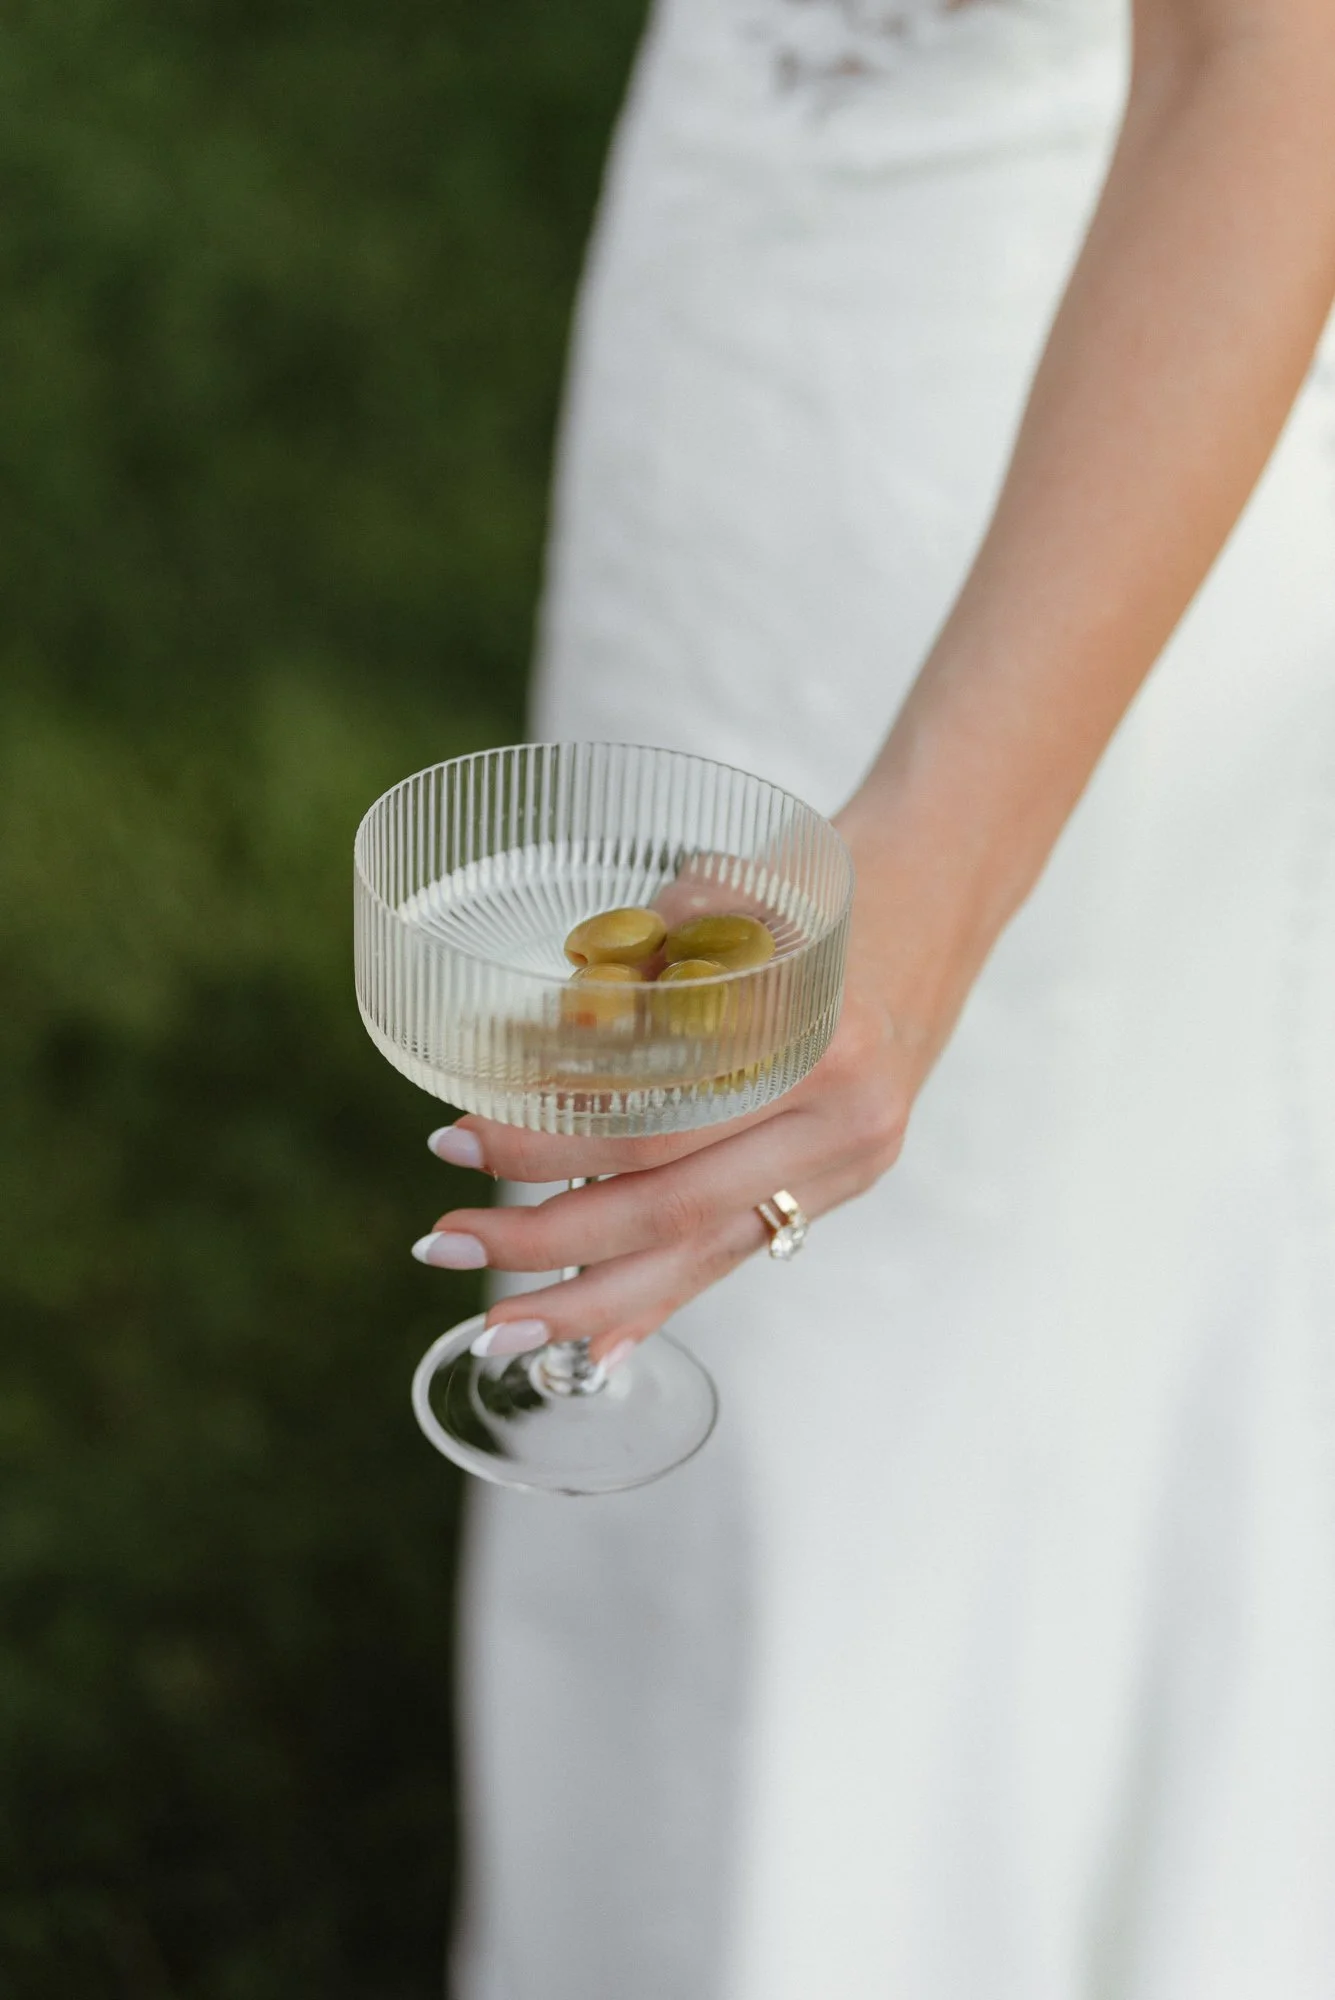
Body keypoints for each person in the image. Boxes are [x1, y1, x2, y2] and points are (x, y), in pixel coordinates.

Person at [420, 1, 1335, 1993]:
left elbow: (1272, 67)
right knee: (681, 1374)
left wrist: (921, 868)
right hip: (734, 265)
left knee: (885, 1401)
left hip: (1035, 430)